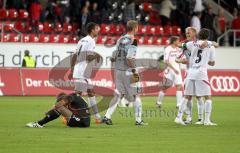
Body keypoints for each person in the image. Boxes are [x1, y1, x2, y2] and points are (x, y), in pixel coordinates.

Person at [102, 20, 146, 126]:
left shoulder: (120, 39)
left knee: (119, 94)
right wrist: (135, 71)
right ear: (135, 28)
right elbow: (130, 58)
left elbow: (114, 56)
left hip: (118, 70)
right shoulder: (133, 40)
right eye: (137, 27)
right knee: (135, 95)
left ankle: (107, 117)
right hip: (127, 71)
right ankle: (138, 120)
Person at [175, 28, 217, 126]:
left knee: (186, 96)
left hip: (191, 73)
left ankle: (179, 117)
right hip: (201, 73)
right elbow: (212, 63)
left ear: (198, 34)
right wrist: (206, 59)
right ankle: (206, 120)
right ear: (208, 36)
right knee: (208, 97)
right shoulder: (211, 46)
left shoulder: (191, 44)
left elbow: (180, 45)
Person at [68, 22, 102, 124]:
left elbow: (74, 56)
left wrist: (72, 70)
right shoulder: (91, 41)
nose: (98, 30)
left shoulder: (81, 40)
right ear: (92, 30)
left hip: (79, 70)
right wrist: (96, 56)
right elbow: (88, 57)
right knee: (77, 95)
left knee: (89, 93)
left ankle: (97, 117)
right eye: (96, 28)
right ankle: (63, 111)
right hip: (83, 71)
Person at [26, 92, 90, 128]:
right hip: (86, 123)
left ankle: (39, 124)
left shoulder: (70, 96)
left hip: (80, 121)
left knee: (59, 108)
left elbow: (58, 105)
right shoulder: (77, 97)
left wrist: (49, 111)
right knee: (62, 109)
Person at [156, 36, 183, 109]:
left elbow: (179, 58)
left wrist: (179, 66)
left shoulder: (179, 49)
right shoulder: (168, 49)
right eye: (178, 41)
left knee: (179, 86)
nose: (179, 42)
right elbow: (166, 61)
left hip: (177, 69)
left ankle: (179, 104)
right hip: (169, 70)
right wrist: (174, 69)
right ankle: (158, 102)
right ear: (174, 41)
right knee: (165, 87)